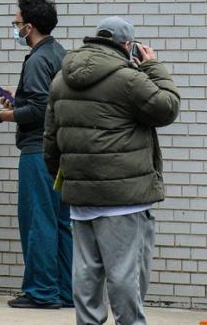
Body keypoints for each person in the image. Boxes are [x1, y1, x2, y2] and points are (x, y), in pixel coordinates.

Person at [45, 17, 180, 325]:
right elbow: (167, 108)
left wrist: (72, 182)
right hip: (124, 198)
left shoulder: (60, 79)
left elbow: (50, 141)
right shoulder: (128, 78)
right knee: (124, 275)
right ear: (128, 46)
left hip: (81, 198)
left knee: (86, 274)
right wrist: (153, 66)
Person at [0, 0, 71, 309]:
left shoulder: (37, 59)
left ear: (29, 26)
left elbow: (41, 109)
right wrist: (20, 97)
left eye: (17, 23)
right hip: (61, 151)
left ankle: (41, 292)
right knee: (60, 222)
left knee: (37, 221)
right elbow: (50, 101)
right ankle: (65, 291)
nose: (15, 28)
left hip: (37, 151)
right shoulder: (59, 53)